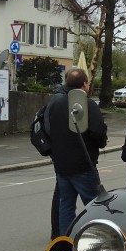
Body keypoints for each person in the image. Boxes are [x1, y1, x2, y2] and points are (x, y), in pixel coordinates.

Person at [46, 67, 108, 235]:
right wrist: (101, 143)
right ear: (84, 85)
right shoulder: (87, 104)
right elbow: (98, 132)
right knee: (95, 204)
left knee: (66, 205)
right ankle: (98, 238)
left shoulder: (55, 103)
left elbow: (48, 129)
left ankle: (65, 239)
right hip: (83, 163)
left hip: (61, 165)